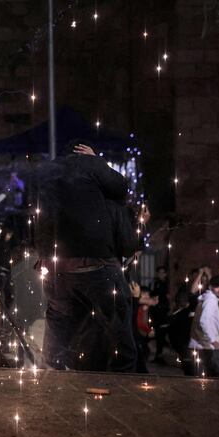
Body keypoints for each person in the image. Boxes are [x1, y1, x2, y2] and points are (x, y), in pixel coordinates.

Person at [36, 140, 146, 372]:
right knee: (118, 318)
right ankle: (124, 379)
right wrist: (97, 159)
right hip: (93, 261)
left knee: (58, 322)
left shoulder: (49, 173)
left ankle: (49, 376)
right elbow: (121, 186)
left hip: (55, 265)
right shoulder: (88, 165)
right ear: (82, 151)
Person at [188, 276, 219, 377]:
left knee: (205, 377)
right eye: (217, 287)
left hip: (201, 344)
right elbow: (204, 321)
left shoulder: (206, 299)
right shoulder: (211, 301)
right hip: (208, 345)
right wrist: (214, 340)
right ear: (210, 287)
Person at [135, 287, 159, 373]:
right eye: (144, 294)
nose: (147, 296)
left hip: (143, 335)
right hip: (138, 334)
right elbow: (140, 322)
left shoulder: (146, 307)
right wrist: (148, 330)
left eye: (147, 294)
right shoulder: (139, 306)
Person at [150, 266, 171, 364]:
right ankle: (159, 356)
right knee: (159, 334)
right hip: (157, 312)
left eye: (163, 272)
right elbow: (153, 296)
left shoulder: (166, 284)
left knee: (162, 334)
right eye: (160, 272)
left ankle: (160, 355)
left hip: (164, 312)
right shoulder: (155, 283)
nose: (161, 274)